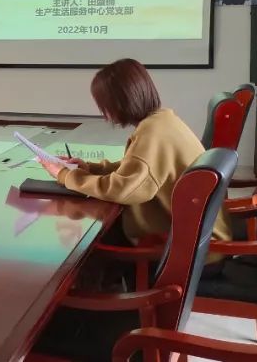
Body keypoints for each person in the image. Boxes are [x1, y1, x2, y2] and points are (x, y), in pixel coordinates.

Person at [36, 58, 231, 245]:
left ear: (119, 103)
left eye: (104, 106)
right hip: (198, 235)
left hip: (190, 248)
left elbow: (123, 190)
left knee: (88, 236)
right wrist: (90, 168)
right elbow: (137, 169)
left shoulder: (152, 134)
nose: (104, 115)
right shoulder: (163, 121)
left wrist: (65, 175)